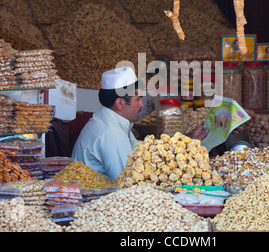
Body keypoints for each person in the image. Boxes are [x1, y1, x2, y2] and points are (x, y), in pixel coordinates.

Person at [72, 66, 209, 180]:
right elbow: (127, 178)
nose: (142, 105)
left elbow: (143, 151)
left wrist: (189, 141)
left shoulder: (112, 121)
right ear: (120, 103)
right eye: (138, 99)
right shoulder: (111, 132)